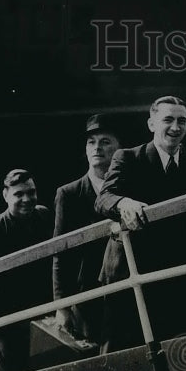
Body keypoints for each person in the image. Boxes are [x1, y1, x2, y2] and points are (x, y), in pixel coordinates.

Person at [95, 96, 186, 350]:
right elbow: (103, 198)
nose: (175, 127)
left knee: (174, 352)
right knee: (122, 354)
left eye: (182, 121)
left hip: (173, 277)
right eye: (168, 120)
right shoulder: (129, 158)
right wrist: (123, 203)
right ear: (151, 124)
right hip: (129, 275)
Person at [0, 169, 54, 371]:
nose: (27, 199)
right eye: (19, 194)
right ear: (5, 195)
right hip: (5, 329)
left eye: (31, 192)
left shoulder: (44, 216)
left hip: (43, 320)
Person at [52, 114, 122, 344]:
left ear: (119, 147)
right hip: (88, 294)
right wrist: (62, 305)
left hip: (125, 288)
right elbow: (60, 252)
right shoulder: (69, 194)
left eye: (105, 141)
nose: (97, 148)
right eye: (91, 142)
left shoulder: (129, 187)